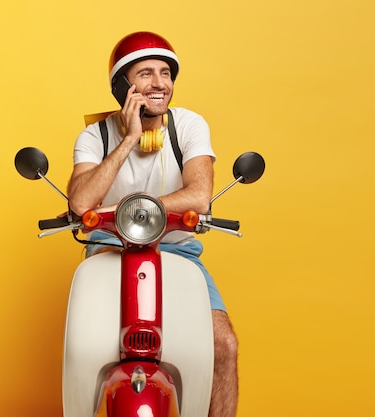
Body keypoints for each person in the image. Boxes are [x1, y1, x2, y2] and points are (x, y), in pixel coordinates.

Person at [66, 31, 239, 417]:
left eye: (165, 73)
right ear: (121, 86)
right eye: (145, 74)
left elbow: (199, 195)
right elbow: (79, 202)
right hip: (108, 251)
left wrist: (137, 212)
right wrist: (129, 139)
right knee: (83, 345)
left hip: (178, 250)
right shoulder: (95, 135)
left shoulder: (189, 126)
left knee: (224, 344)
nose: (159, 83)